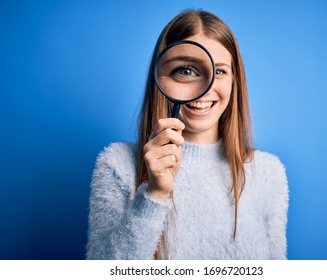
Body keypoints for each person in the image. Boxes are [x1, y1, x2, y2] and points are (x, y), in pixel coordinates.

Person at [86, 9, 288, 260]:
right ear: (160, 77)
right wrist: (154, 194)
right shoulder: (116, 163)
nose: (204, 90)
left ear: (235, 81)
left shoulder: (268, 172)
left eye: (220, 71)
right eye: (186, 71)